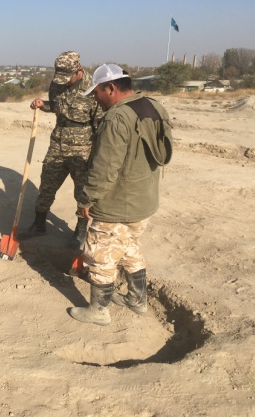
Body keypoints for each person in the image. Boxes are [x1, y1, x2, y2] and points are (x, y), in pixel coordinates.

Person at [69, 64, 173, 326]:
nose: (95, 98)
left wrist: (86, 200)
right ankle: (137, 301)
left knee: (100, 255)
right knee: (128, 248)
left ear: (111, 88)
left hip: (117, 203)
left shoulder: (117, 118)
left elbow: (105, 167)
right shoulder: (152, 106)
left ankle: (98, 311)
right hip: (144, 200)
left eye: (97, 93)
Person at [17, 51, 100, 251]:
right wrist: (42, 105)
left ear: (79, 71)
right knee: (47, 184)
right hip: (58, 142)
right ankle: (38, 224)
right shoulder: (57, 83)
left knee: (82, 191)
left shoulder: (94, 88)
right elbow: (57, 106)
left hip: (83, 148)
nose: (62, 83)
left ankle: (80, 231)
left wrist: (97, 153)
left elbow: (100, 122)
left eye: (67, 78)